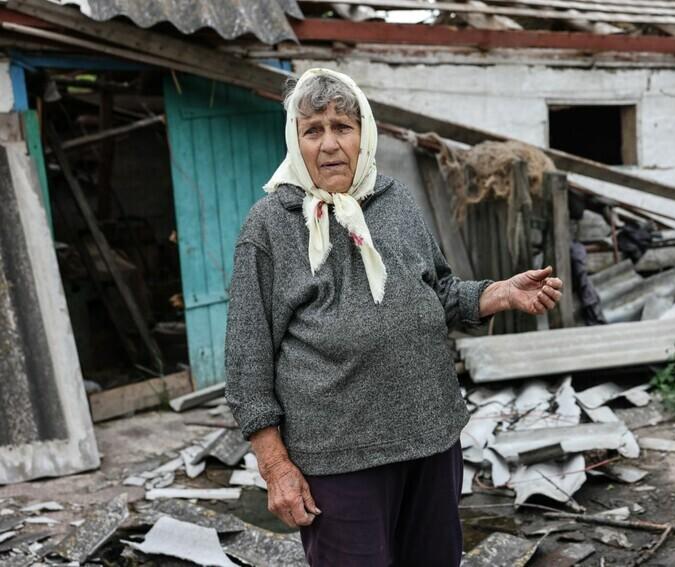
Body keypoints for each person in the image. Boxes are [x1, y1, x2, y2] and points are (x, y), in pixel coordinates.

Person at [225, 68, 563, 566]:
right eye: (312, 130)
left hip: (430, 439)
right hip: (339, 458)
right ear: (294, 142)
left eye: (342, 126)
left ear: (364, 134)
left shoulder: (395, 201)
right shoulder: (271, 225)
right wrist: (275, 465)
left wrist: (497, 293)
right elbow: (246, 358)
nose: (329, 144)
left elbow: (439, 291)